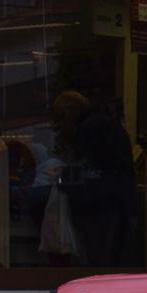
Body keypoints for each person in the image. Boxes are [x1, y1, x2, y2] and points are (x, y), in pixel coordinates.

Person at [48, 90, 139, 267]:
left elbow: (89, 171)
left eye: (60, 119)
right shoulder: (105, 123)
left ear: (69, 112)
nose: (60, 126)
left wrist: (63, 181)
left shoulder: (89, 129)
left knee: (101, 257)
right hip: (116, 202)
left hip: (102, 207)